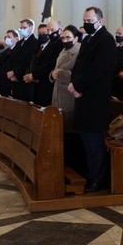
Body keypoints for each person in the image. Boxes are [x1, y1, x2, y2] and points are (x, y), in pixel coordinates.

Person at [68, 7, 116, 192]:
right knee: (86, 140)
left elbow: (99, 70)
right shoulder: (88, 39)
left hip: (95, 98)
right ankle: (89, 174)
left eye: (90, 21)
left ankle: (97, 179)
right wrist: (74, 84)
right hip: (83, 96)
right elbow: (79, 66)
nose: (86, 24)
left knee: (94, 141)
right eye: (84, 21)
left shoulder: (106, 40)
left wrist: (78, 86)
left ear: (100, 20)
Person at [50, 25, 83, 173]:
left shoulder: (79, 51)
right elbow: (55, 70)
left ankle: (74, 167)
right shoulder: (63, 50)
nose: (65, 40)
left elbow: (78, 74)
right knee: (61, 130)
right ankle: (65, 163)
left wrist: (61, 73)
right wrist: (52, 75)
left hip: (70, 96)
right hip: (58, 93)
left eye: (68, 37)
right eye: (63, 37)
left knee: (71, 131)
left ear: (76, 38)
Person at [25, 19, 63, 106]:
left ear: (60, 30)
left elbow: (52, 64)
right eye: (48, 30)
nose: (49, 33)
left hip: (49, 85)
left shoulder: (61, 44)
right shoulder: (51, 44)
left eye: (52, 30)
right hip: (39, 84)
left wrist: (34, 74)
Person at [8, 19, 39, 101]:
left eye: (24, 27)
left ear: (31, 28)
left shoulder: (34, 42)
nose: (22, 29)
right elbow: (13, 58)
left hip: (24, 78)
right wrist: (12, 73)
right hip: (15, 79)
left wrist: (15, 73)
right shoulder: (19, 43)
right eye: (21, 28)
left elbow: (29, 61)